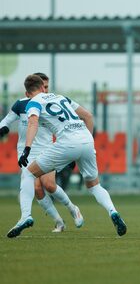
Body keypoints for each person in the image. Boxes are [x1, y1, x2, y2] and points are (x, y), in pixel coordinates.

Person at [6, 74, 127, 238]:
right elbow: (88, 116)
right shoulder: (61, 97)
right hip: (86, 140)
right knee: (93, 185)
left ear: (27, 93)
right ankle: (113, 212)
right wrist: (88, 144)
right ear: (42, 87)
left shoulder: (33, 103)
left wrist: (27, 148)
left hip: (67, 143)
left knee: (28, 172)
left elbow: (33, 123)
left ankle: (25, 215)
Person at [0, 72, 83, 233]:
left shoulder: (53, 104)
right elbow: (7, 120)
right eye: (42, 87)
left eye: (46, 87)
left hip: (46, 149)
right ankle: (57, 221)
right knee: (35, 186)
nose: (45, 91)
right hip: (26, 151)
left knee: (49, 185)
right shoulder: (20, 105)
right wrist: (2, 127)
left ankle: (73, 209)